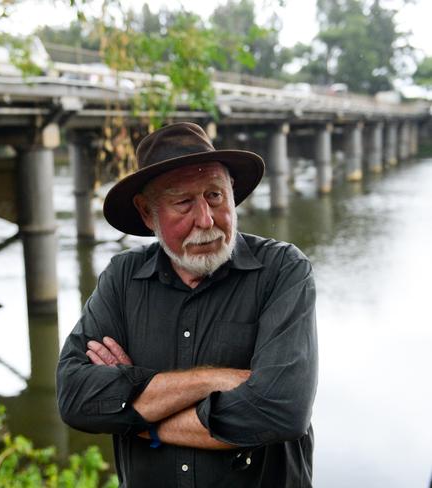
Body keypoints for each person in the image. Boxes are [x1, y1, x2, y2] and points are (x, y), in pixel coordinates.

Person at [56, 122, 318, 487]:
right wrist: (216, 379)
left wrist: (139, 417)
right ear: (148, 214)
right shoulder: (122, 277)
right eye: (183, 203)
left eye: (215, 196)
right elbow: (76, 399)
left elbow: (281, 411)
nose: (206, 220)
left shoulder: (281, 270)